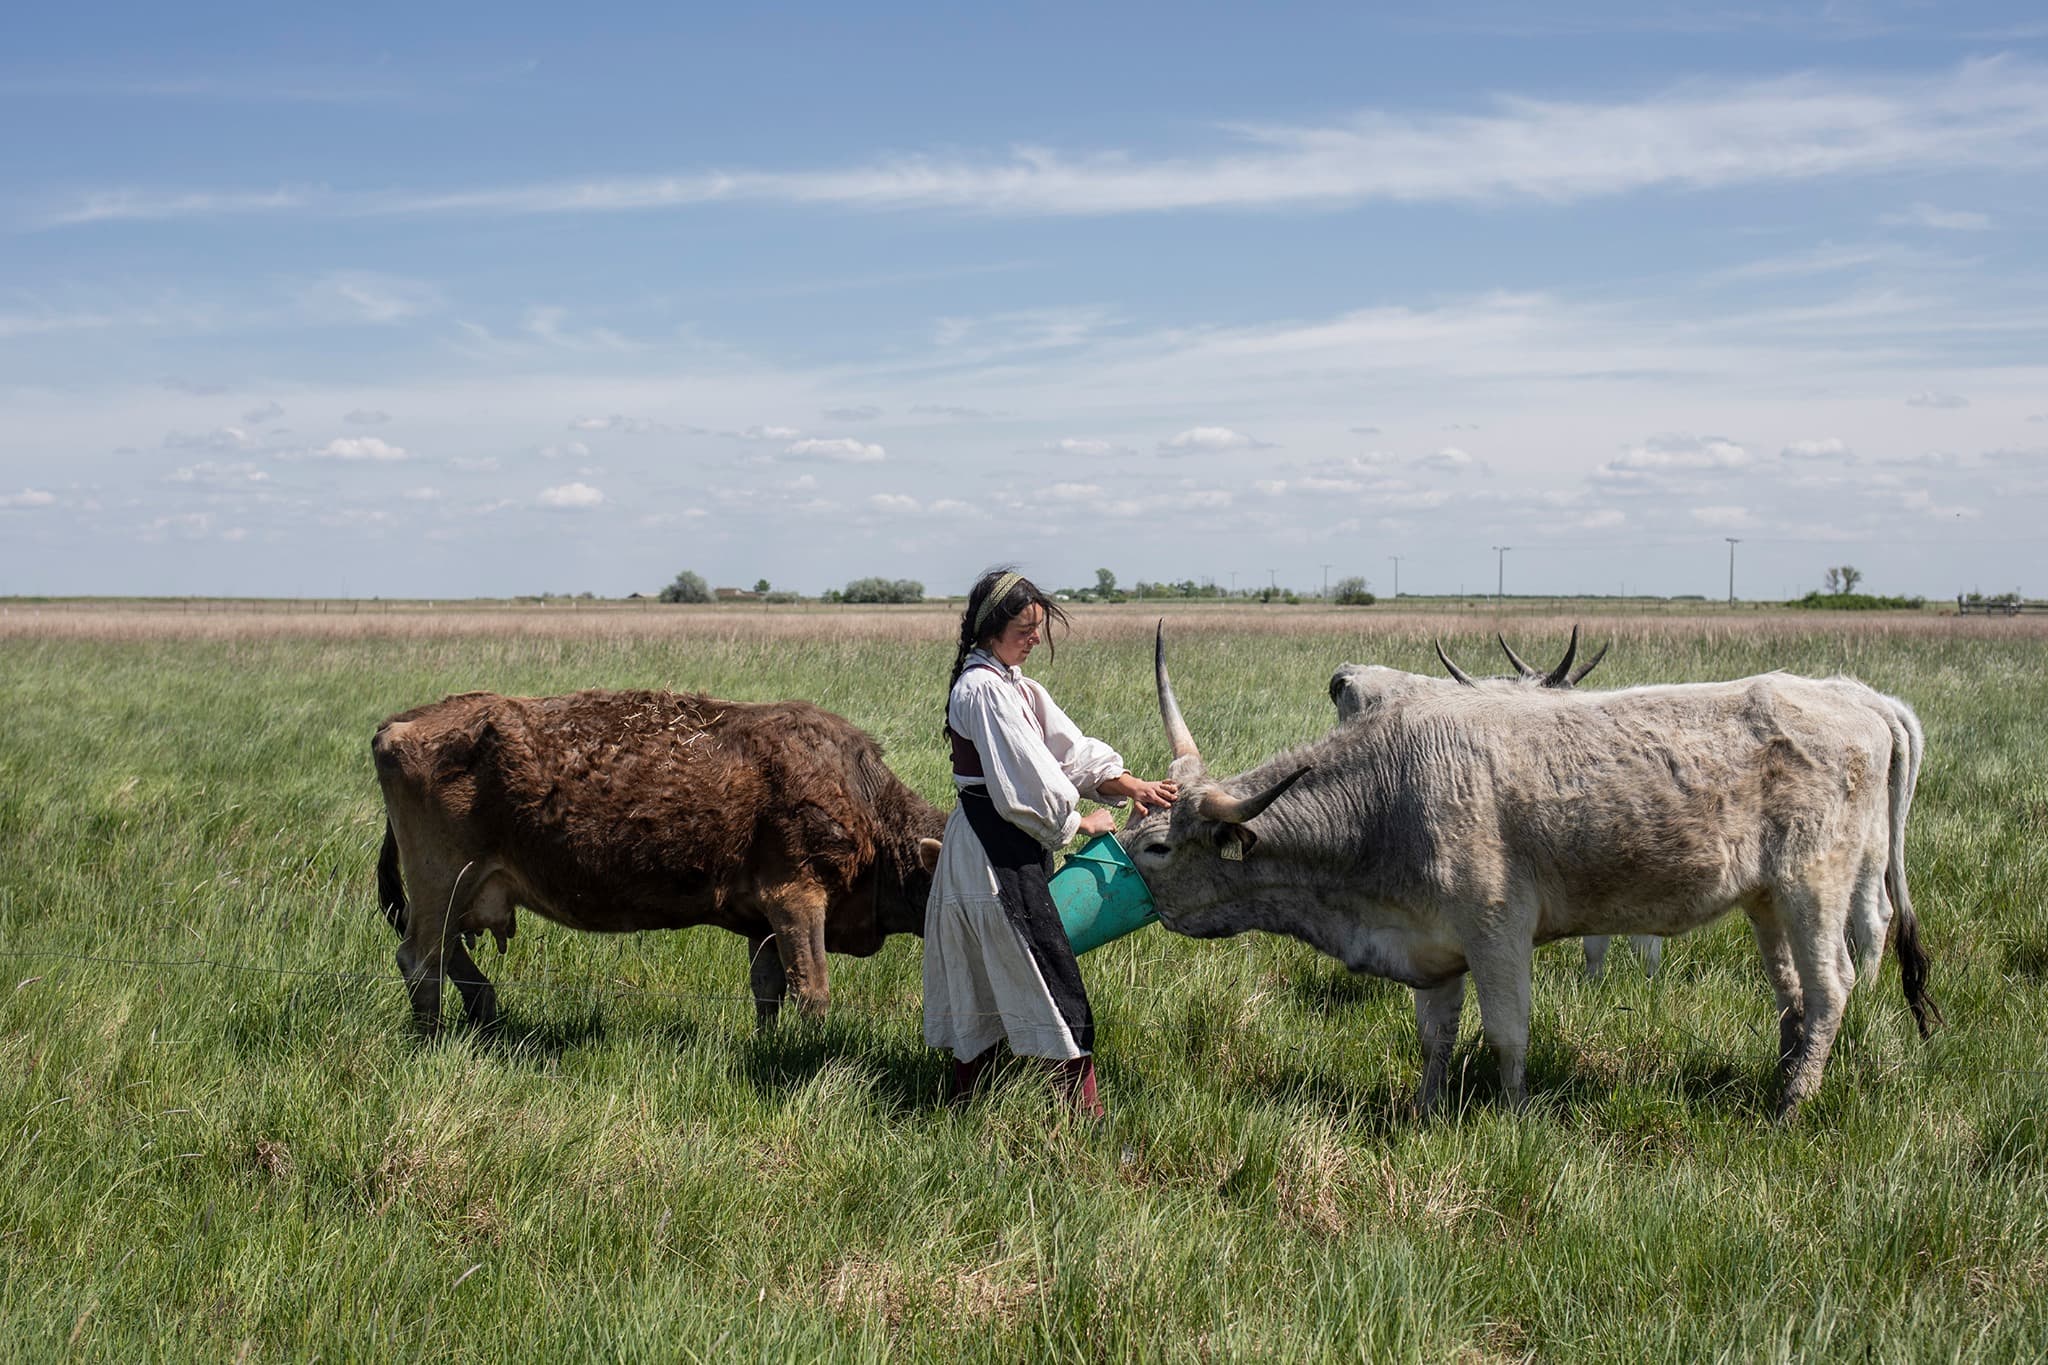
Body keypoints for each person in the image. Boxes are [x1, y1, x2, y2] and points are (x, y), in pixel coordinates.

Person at [922, 568, 1178, 1117]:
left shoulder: (1016, 686)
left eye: (1039, 627)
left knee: (996, 981)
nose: (1035, 638)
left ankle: (977, 1110)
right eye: (1025, 628)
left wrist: (1131, 783)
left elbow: (1072, 754)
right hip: (989, 862)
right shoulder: (983, 690)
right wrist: (1081, 824)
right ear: (991, 628)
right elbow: (1029, 789)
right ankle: (1080, 1120)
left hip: (1001, 854)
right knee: (1047, 982)